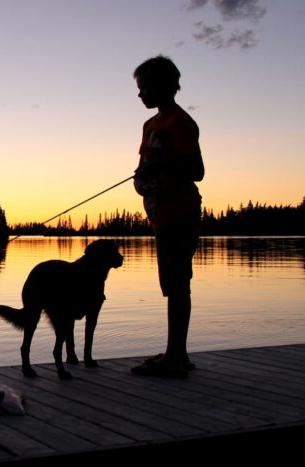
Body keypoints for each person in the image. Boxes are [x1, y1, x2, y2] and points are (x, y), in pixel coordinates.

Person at [130, 55, 205, 378]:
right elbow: (146, 165)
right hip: (160, 214)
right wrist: (141, 179)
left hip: (180, 212)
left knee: (177, 285)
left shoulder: (180, 122)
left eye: (145, 87)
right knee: (170, 284)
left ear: (165, 86)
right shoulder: (150, 126)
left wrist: (160, 167)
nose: (140, 94)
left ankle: (175, 358)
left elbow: (197, 171)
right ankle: (178, 353)